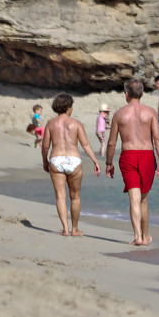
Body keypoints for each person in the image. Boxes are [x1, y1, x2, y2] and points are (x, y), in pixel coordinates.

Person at [105, 79, 159, 246]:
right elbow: (157, 139)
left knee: (134, 198)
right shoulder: (150, 112)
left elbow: (111, 142)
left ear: (126, 94)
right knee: (144, 199)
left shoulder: (119, 114)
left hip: (128, 156)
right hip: (147, 156)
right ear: (142, 94)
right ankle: (145, 236)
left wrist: (109, 163)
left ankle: (138, 236)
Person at [41, 93, 101, 236]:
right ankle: (75, 229)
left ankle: (65, 229)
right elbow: (85, 144)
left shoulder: (51, 123)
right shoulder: (76, 123)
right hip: (74, 160)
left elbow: (45, 146)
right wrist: (95, 161)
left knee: (60, 197)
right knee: (75, 197)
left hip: (56, 160)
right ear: (69, 107)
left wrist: (45, 161)